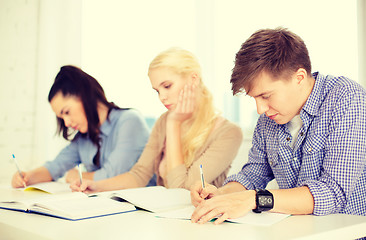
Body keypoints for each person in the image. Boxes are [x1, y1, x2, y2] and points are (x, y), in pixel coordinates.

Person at [190, 27, 366, 224]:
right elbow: (253, 175)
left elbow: (333, 193)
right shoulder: (269, 118)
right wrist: (222, 196)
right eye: (254, 98)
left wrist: (254, 200)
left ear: (299, 78)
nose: (260, 109)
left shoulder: (347, 99)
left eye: (265, 96)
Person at [70, 47, 243, 193]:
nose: (162, 97)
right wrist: (96, 186)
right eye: (157, 90)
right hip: (164, 220)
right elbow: (139, 175)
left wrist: (174, 124)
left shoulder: (228, 133)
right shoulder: (164, 121)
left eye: (167, 86)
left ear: (193, 79)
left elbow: (181, 191)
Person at [11, 65, 150, 187]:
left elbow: (113, 175)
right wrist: (27, 177)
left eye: (67, 112)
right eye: (62, 117)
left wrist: (79, 176)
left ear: (84, 96)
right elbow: (56, 166)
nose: (66, 123)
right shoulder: (83, 138)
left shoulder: (130, 121)